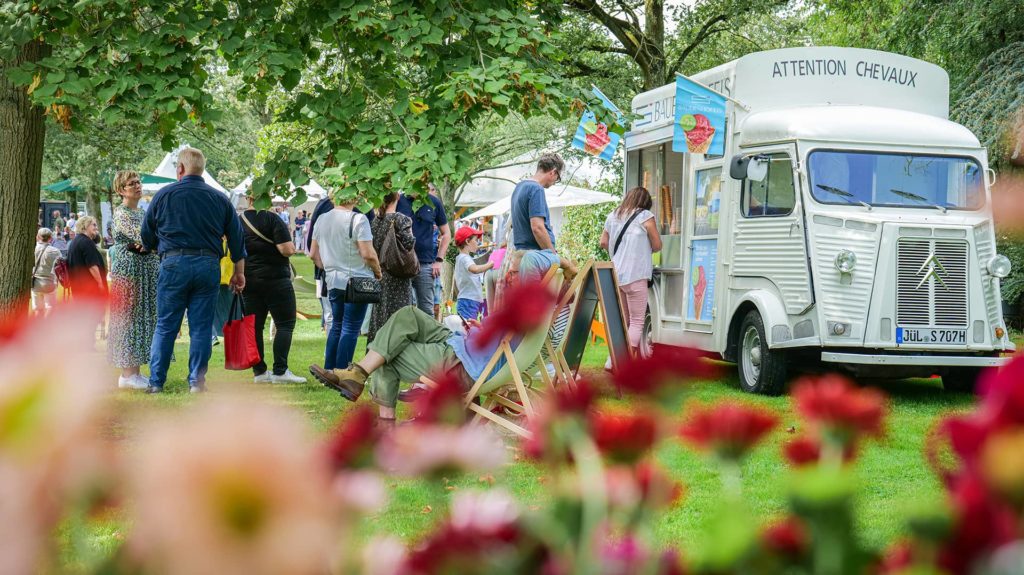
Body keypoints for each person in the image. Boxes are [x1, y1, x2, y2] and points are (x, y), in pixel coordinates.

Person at [141, 147, 246, 394]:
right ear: (202, 169)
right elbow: (237, 240)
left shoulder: (164, 195)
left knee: (166, 325)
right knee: (201, 327)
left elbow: (147, 235)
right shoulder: (220, 198)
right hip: (207, 264)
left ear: (179, 168)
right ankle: (196, 382)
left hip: (173, 262)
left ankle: (156, 382)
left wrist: (159, 249)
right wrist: (239, 272)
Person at [310, 306, 502, 426]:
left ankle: (382, 418)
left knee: (389, 352)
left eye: (516, 271)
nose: (510, 273)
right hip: (461, 343)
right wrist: (482, 329)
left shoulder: (523, 312)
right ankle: (357, 375)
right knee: (408, 314)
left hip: (464, 362)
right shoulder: (522, 317)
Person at [309, 188, 382, 372]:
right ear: (355, 197)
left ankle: (329, 369)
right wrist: (378, 272)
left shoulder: (322, 219)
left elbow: (313, 254)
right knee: (351, 327)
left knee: (336, 325)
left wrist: (329, 267)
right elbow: (368, 253)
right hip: (357, 279)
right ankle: (342, 371)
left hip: (333, 280)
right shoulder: (358, 219)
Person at [239, 195, 306, 384]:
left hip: (249, 279)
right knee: (285, 324)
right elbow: (287, 249)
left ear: (248, 199)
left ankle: (259, 372)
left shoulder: (239, 220)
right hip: (276, 279)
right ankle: (280, 371)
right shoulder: (272, 219)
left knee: (255, 327)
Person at [107, 171, 160, 390]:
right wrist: (149, 242)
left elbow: (151, 237)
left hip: (145, 271)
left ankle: (135, 372)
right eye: (132, 184)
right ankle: (127, 374)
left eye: (139, 182)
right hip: (129, 272)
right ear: (121, 190)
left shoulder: (143, 212)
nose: (138, 186)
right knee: (129, 318)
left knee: (142, 318)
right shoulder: (121, 213)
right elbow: (143, 237)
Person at [368, 184, 450, 316]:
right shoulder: (398, 200)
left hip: (424, 263)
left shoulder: (434, 202)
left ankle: (425, 336)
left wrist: (439, 260)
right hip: (399, 264)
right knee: (401, 307)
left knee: (426, 308)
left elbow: (446, 234)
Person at [600, 186, 662, 356]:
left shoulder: (613, 215)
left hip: (616, 275)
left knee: (624, 321)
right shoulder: (645, 216)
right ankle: (621, 362)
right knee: (636, 322)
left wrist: (618, 254)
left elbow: (603, 242)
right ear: (645, 203)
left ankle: (611, 360)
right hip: (636, 275)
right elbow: (657, 245)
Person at [509, 153, 564, 283]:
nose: (555, 182)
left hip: (520, 255)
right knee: (535, 302)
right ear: (553, 172)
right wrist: (551, 253)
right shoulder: (536, 189)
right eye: (558, 178)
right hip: (533, 258)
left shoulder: (519, 187)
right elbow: (537, 228)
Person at [368, 192, 415, 341]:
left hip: (380, 275)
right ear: (398, 198)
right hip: (398, 275)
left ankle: (375, 354)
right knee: (399, 318)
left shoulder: (375, 222)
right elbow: (409, 244)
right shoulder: (401, 219)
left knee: (380, 318)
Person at [306, 194, 335, 333]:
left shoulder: (322, 208)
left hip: (326, 269)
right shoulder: (358, 213)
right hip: (347, 272)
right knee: (345, 321)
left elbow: (312, 251)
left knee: (330, 316)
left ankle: (331, 354)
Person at [453, 226, 493, 321]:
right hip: (468, 301)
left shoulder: (461, 258)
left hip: (468, 300)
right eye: (476, 240)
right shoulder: (464, 258)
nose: (478, 243)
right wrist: (490, 264)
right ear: (467, 241)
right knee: (467, 328)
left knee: (467, 327)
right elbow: (474, 269)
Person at [66, 216, 107, 299]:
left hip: (79, 289)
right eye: (94, 225)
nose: (96, 228)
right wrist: (100, 283)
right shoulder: (87, 242)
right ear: (85, 226)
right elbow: (92, 266)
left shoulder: (75, 241)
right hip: (90, 290)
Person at [31, 227, 60, 316]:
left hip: (35, 282)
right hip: (50, 281)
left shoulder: (33, 249)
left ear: (37, 237)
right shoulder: (55, 251)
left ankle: (38, 328)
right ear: (50, 238)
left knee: (38, 309)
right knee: (50, 307)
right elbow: (59, 268)